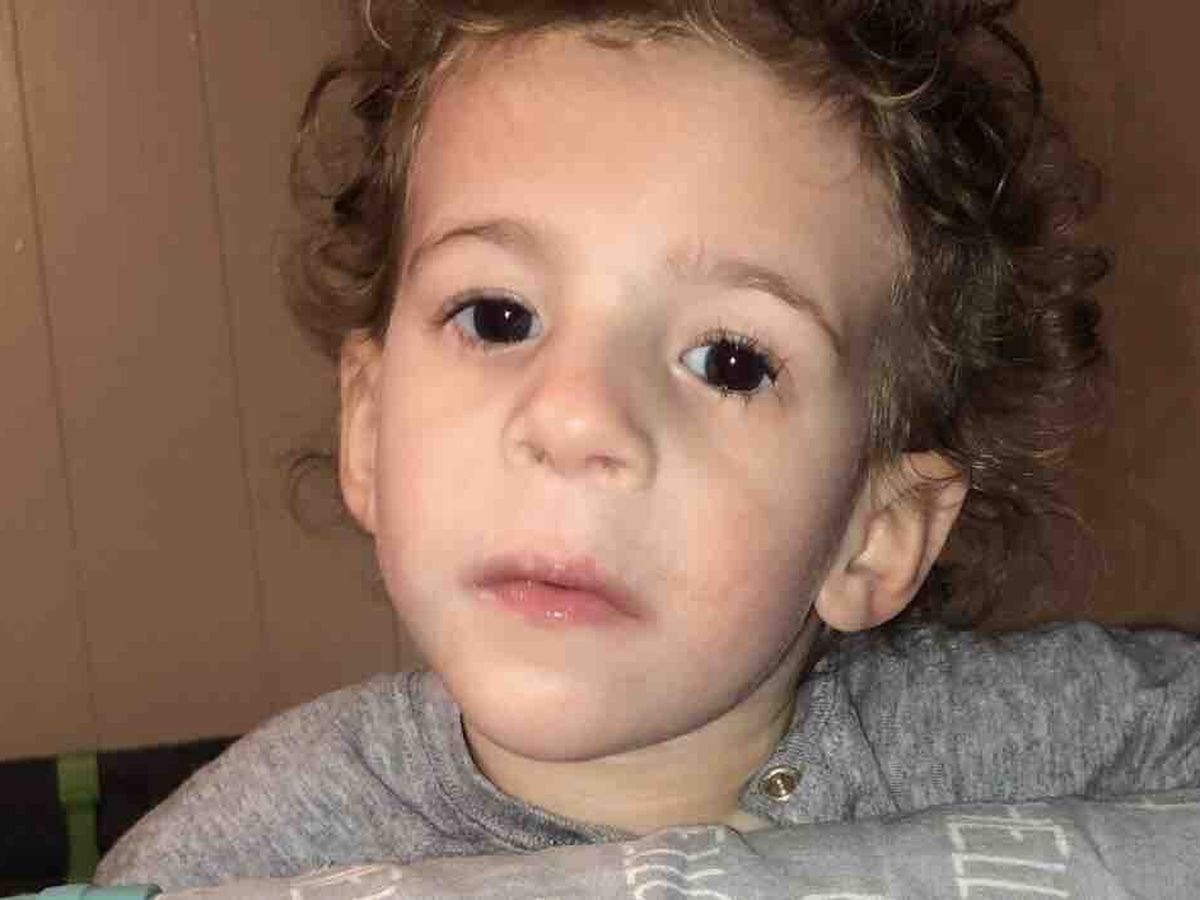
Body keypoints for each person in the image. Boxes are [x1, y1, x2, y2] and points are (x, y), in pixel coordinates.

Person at [94, 0, 1200, 891]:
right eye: (498, 316)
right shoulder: (248, 849)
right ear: (370, 428)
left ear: (876, 532)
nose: (574, 417)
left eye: (729, 361)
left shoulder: (1024, 741)